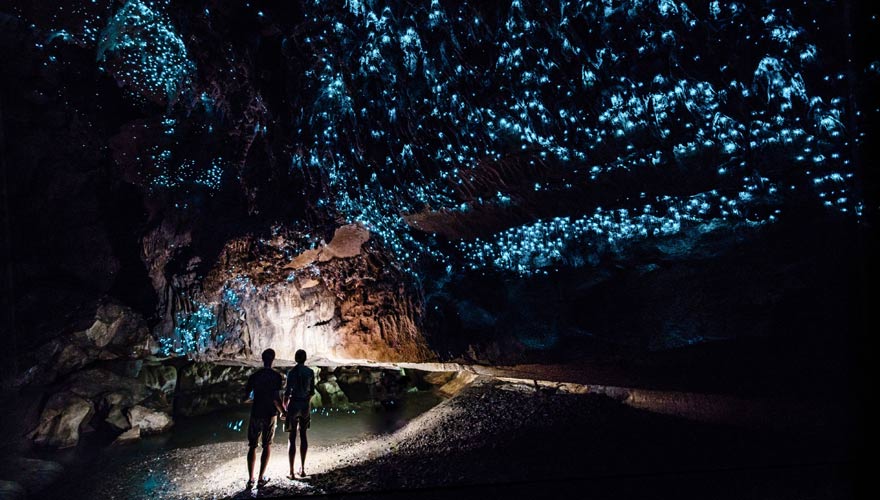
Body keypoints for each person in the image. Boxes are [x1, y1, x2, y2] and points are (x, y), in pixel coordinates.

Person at [243, 348, 284, 489]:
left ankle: (250, 479)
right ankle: (261, 478)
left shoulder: (254, 376)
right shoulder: (276, 377)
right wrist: (283, 412)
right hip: (270, 414)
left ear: (262, 358)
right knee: (267, 445)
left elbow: (246, 398)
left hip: (256, 413)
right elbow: (276, 398)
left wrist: (254, 399)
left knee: (252, 446)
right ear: (273, 359)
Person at [283, 349, 315, 478]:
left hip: (294, 404)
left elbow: (287, 392)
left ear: (296, 358)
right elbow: (312, 391)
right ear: (305, 358)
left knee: (291, 438)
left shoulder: (291, 372)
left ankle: (291, 472)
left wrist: (285, 407)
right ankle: (302, 469)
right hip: (305, 405)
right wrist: (306, 401)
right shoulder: (310, 372)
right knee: (303, 435)